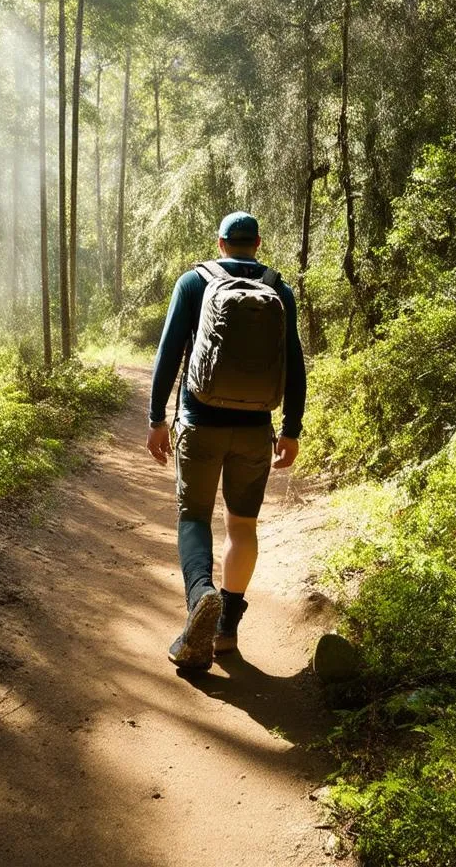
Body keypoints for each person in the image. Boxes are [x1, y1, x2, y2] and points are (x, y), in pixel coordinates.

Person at [146, 211, 306, 671]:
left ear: (220, 244)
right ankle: (227, 626)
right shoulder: (280, 290)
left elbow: (169, 352)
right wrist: (291, 429)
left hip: (199, 424)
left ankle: (201, 596)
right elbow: (293, 364)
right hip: (256, 430)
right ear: (257, 243)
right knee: (243, 526)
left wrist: (157, 418)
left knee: (194, 516)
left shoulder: (193, 283)